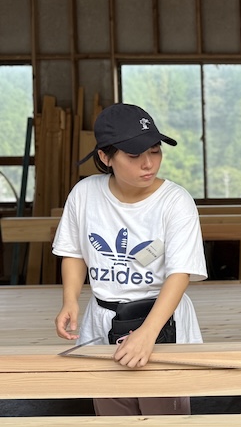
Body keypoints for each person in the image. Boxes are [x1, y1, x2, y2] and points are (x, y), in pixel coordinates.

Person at [53, 103, 208, 416]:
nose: (148, 164)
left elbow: (180, 273)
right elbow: (73, 252)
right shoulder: (84, 193)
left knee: (165, 417)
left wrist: (148, 334)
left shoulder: (175, 202)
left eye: (155, 151)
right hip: (102, 320)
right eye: (134, 155)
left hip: (161, 321)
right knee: (112, 414)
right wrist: (70, 300)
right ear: (105, 157)